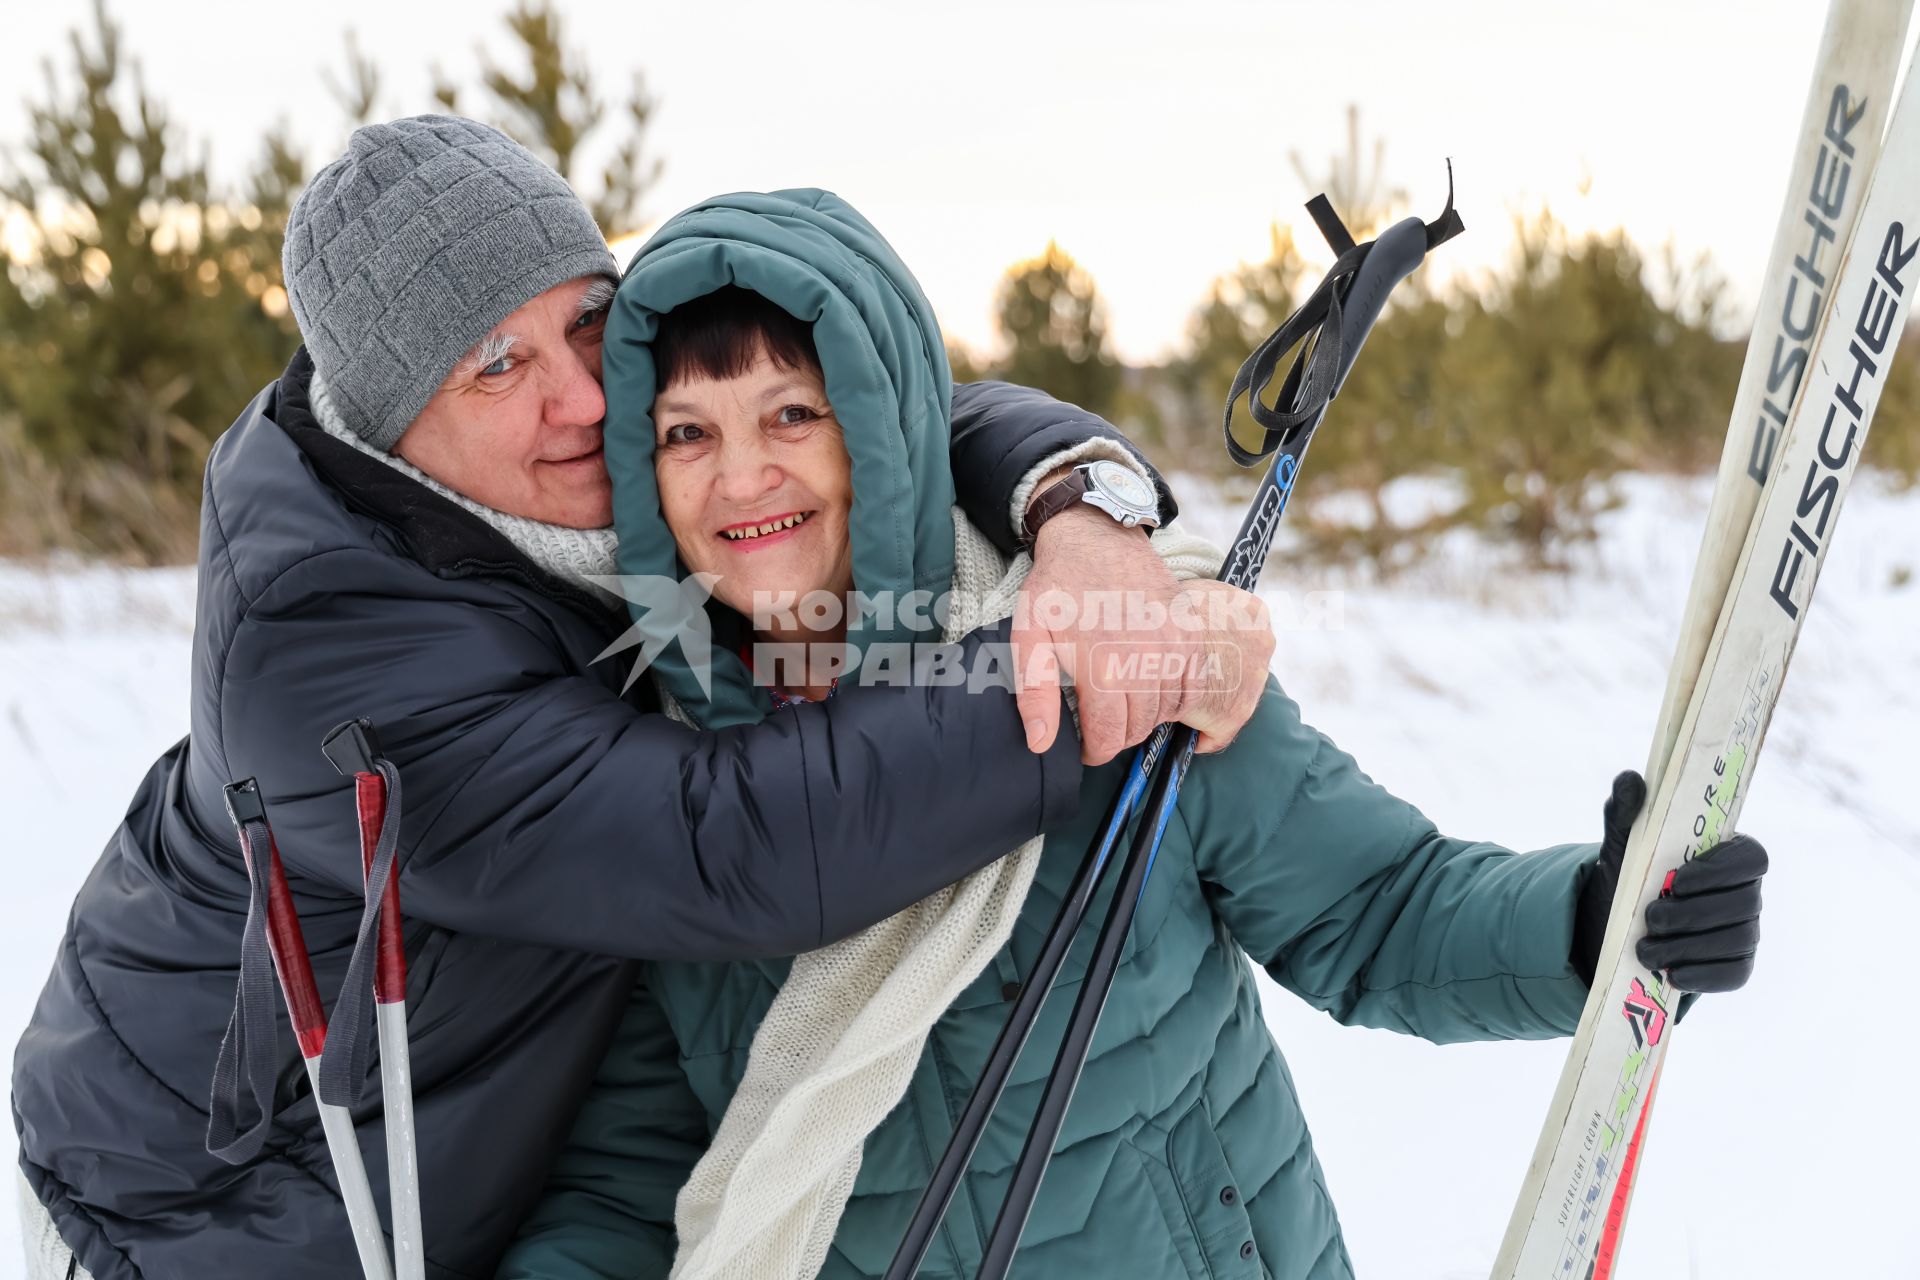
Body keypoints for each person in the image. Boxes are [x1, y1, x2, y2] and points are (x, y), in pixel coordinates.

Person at [9, 119, 1276, 1280]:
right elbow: (730, 846)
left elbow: (882, 406)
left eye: (584, 324)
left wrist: (1085, 513)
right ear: (394, 429)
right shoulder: (326, 648)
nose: (581, 395)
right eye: (496, 365)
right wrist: (1104, 662)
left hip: (481, 1147)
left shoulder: (545, 498)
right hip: (210, 1209)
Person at [495, 190, 1771, 1280]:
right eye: (686, 434)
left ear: (880, 434)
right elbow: (639, 1176)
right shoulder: (669, 796)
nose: (739, 478)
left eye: (792, 415)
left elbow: (1378, 909)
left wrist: (1593, 926)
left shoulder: (1112, 649)